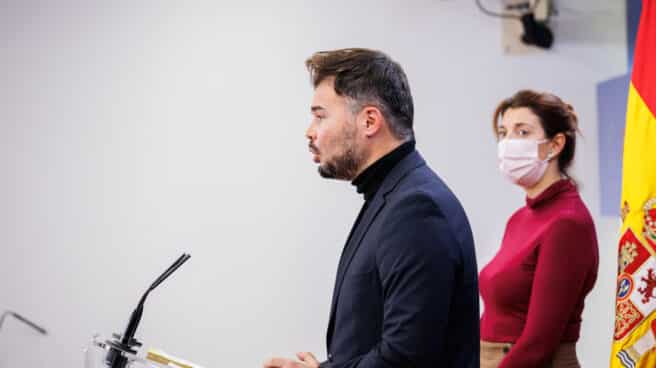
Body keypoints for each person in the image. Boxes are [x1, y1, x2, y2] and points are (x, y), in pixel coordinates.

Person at [263, 48, 479, 368]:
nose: (310, 131)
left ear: (369, 121)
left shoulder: (416, 208)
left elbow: (405, 358)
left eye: (321, 115)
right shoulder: (393, 195)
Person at [479, 90, 599, 368]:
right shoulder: (520, 218)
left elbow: (539, 342)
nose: (508, 142)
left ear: (555, 145)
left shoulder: (567, 223)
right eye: (504, 132)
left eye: (522, 132)